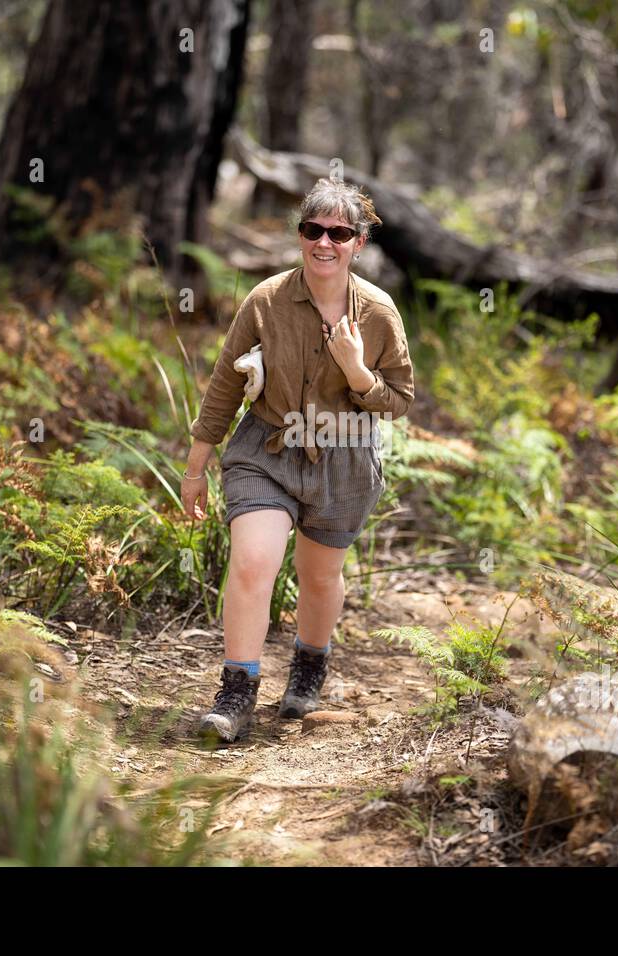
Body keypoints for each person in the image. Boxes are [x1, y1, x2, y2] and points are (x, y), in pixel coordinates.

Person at [181, 178, 415, 745]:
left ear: (359, 243)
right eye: (313, 231)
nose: (325, 243)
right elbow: (223, 386)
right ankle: (236, 693)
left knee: (319, 576)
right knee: (253, 562)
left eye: (339, 233)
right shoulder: (264, 301)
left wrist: (358, 372)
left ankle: (309, 667)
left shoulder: (379, 313)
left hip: (345, 458)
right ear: (300, 236)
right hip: (269, 450)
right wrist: (195, 468)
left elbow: (401, 401)